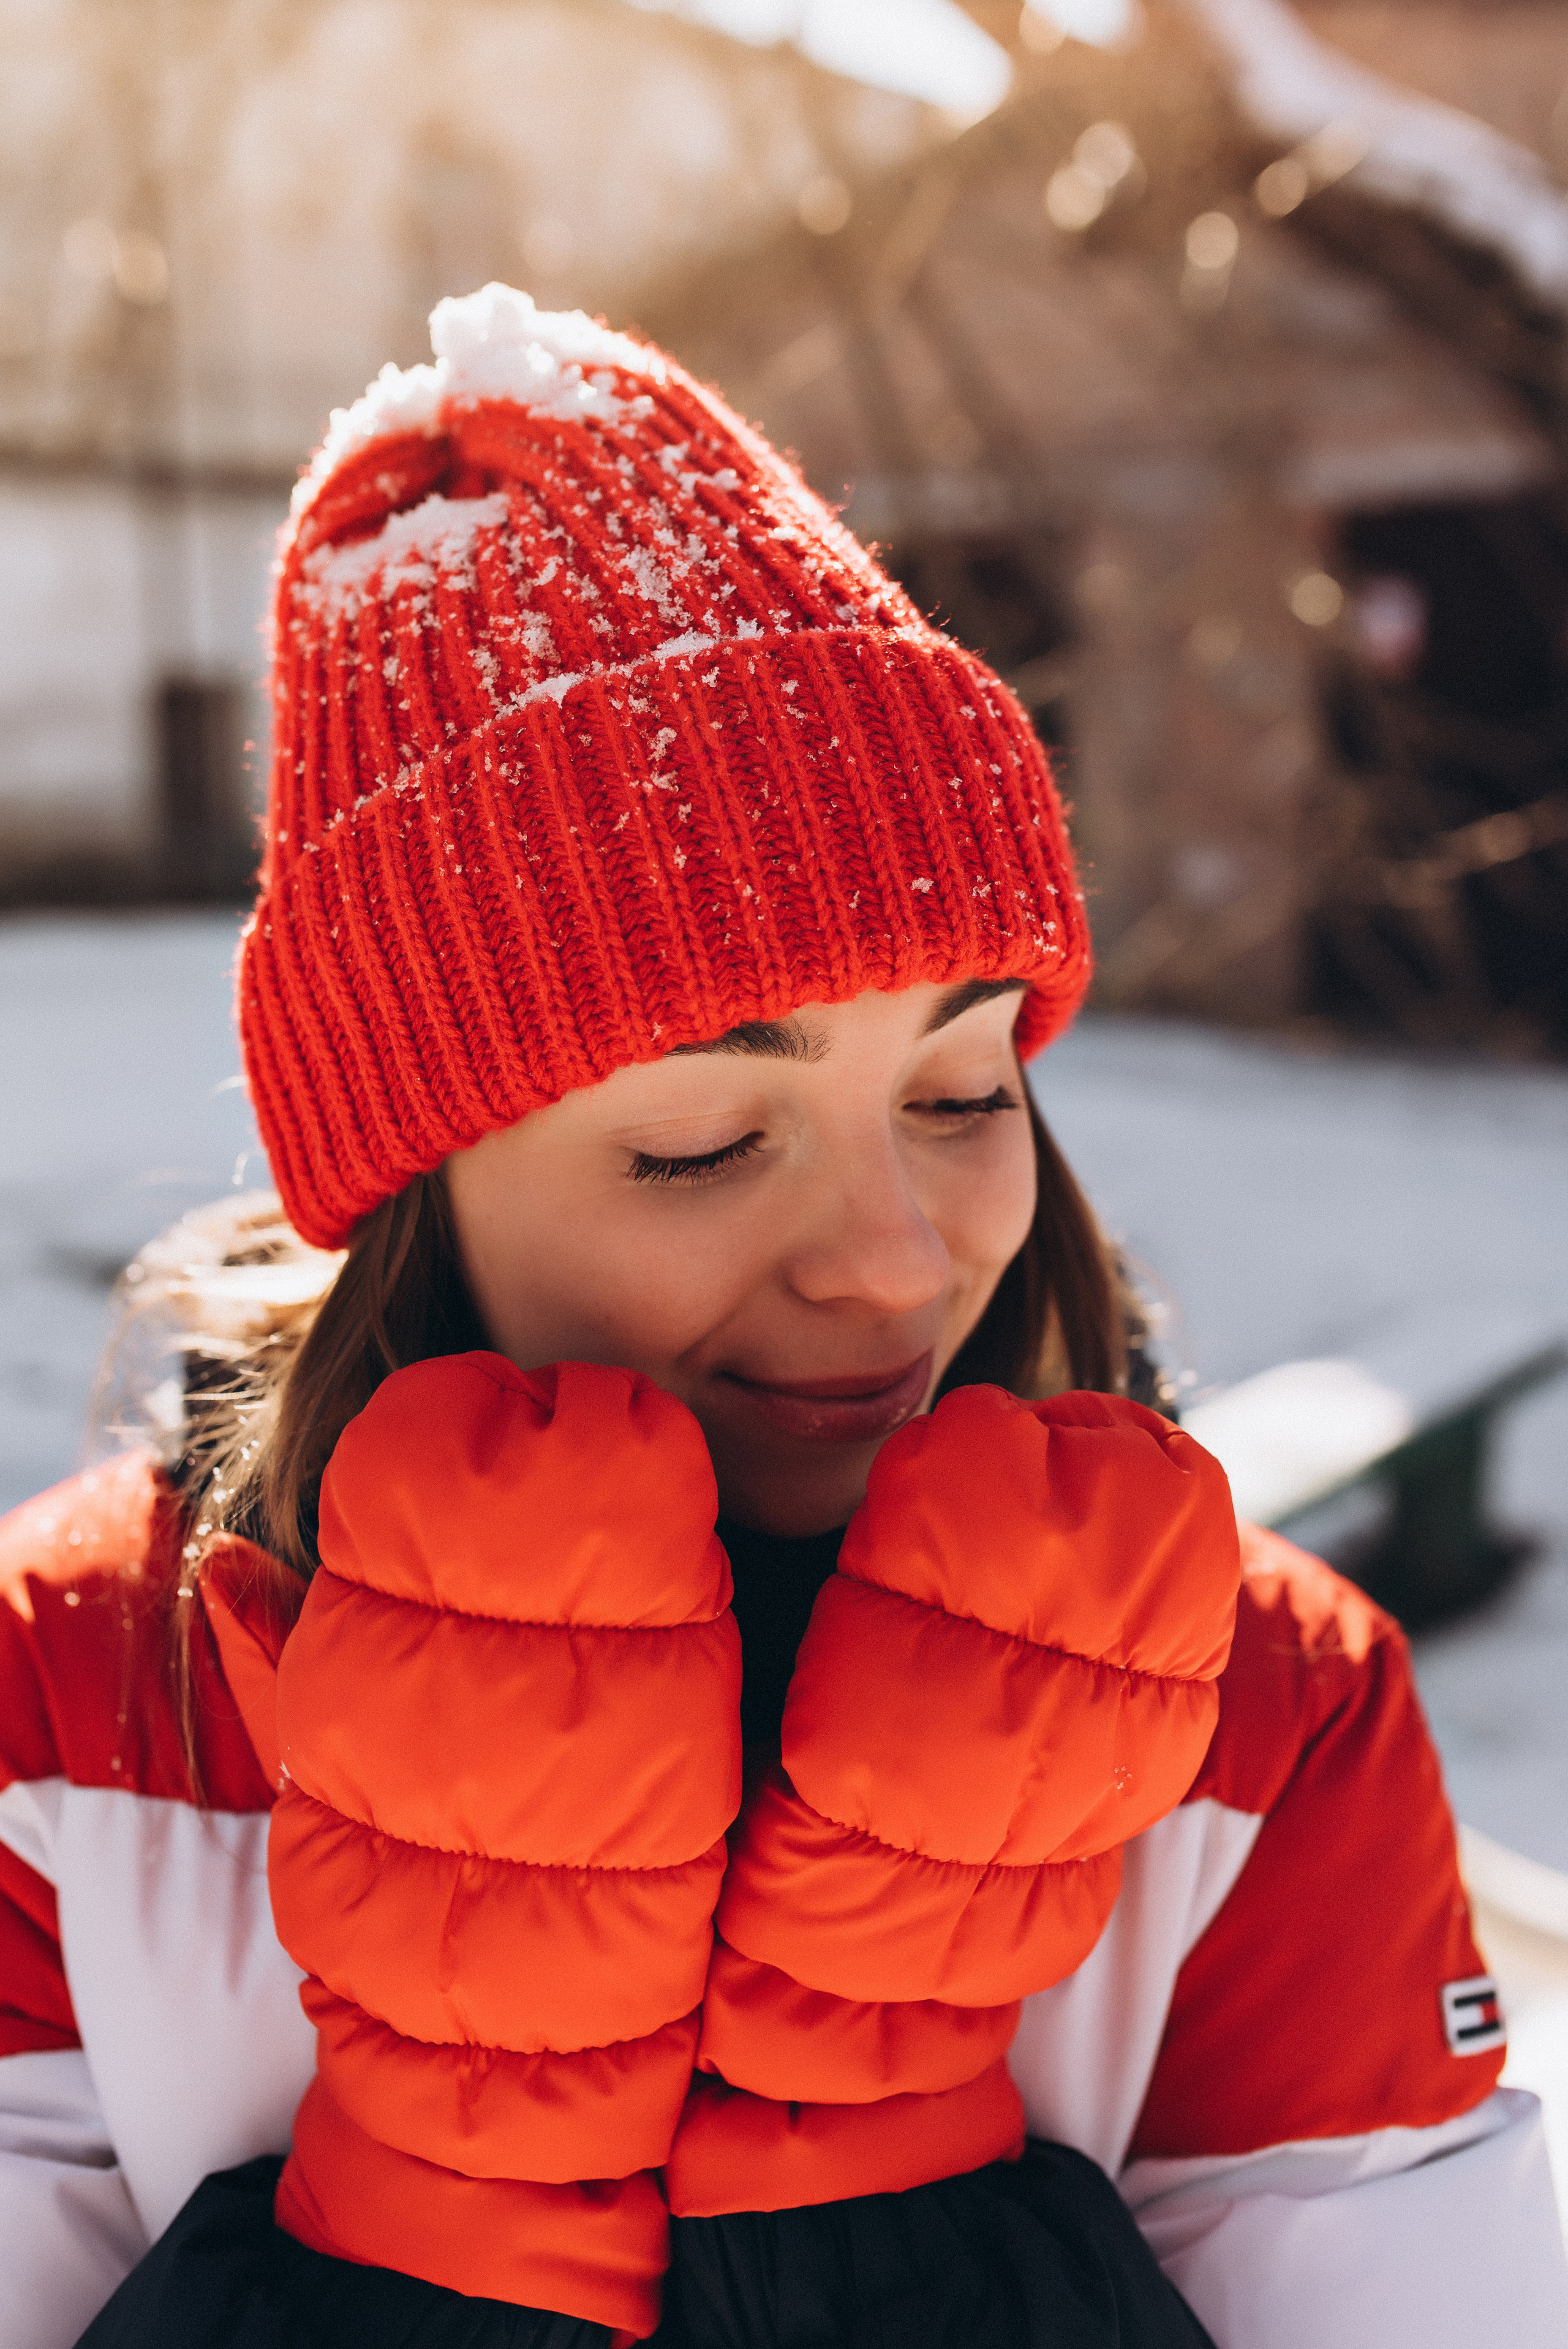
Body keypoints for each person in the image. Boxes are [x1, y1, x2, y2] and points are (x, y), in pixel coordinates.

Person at [0, 286, 1562, 2349]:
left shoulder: (1267, 1721)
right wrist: (437, 2221)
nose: (900, 1258)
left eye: (960, 1089)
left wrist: (892, 2205)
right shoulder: (80, 1718)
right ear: (412, 1184)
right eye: (701, 1144)